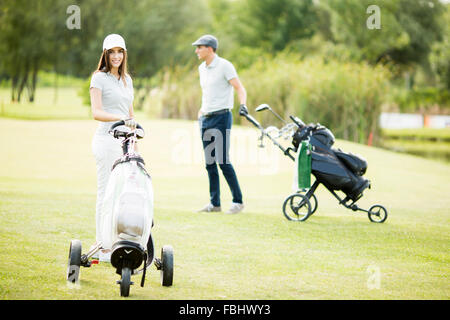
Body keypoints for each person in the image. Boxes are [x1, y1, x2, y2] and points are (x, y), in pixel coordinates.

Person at [89, 34, 136, 260]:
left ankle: (115, 243)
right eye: (111, 52)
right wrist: (120, 118)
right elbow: (96, 112)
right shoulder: (99, 78)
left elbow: (130, 114)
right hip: (106, 142)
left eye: (120, 51)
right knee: (106, 193)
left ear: (124, 54)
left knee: (121, 195)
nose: (116, 56)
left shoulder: (127, 80)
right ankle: (103, 245)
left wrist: (134, 140)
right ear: (105, 54)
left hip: (125, 144)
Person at [192, 34, 249, 214]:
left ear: (210, 49)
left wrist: (243, 105)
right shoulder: (202, 68)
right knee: (209, 162)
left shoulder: (225, 65)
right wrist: (201, 111)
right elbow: (207, 93)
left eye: (199, 47)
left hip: (222, 117)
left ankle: (238, 201)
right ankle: (214, 203)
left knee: (223, 161)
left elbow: (239, 87)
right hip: (206, 118)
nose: (196, 51)